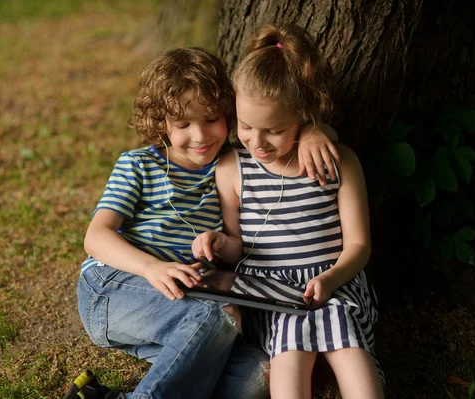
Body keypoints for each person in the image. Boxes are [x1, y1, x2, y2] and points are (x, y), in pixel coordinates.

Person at [76, 46, 339, 399]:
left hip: (186, 302)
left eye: (212, 118)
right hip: (116, 287)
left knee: (261, 373)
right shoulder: (138, 165)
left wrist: (312, 131)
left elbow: (283, 135)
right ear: (161, 124)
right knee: (218, 316)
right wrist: (152, 267)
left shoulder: (234, 167)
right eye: (183, 124)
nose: (200, 136)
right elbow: (96, 237)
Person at [192, 24, 385, 399]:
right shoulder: (233, 169)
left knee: (349, 348)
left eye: (275, 130)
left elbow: (359, 245)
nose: (258, 142)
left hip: (335, 284)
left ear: (305, 116)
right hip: (271, 293)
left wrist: (330, 280)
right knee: (289, 354)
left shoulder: (339, 162)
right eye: (246, 126)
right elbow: (239, 246)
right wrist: (218, 242)